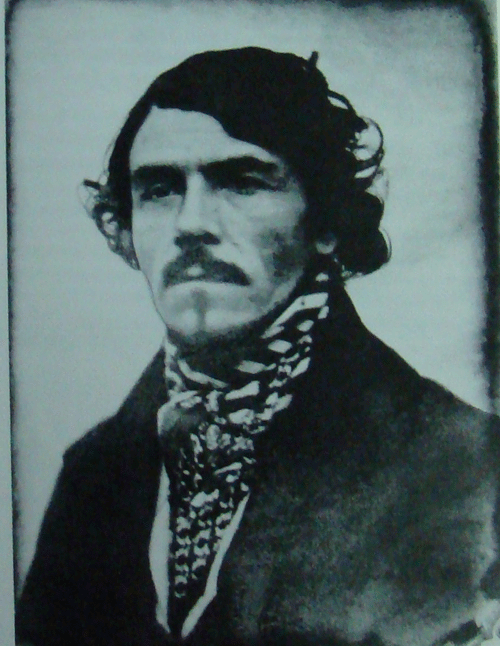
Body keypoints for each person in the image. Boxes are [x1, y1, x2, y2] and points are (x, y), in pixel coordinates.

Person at [16, 47, 500, 646]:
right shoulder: (94, 473)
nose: (192, 224)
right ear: (126, 227)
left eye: (242, 182)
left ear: (326, 222)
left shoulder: (462, 469)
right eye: (159, 189)